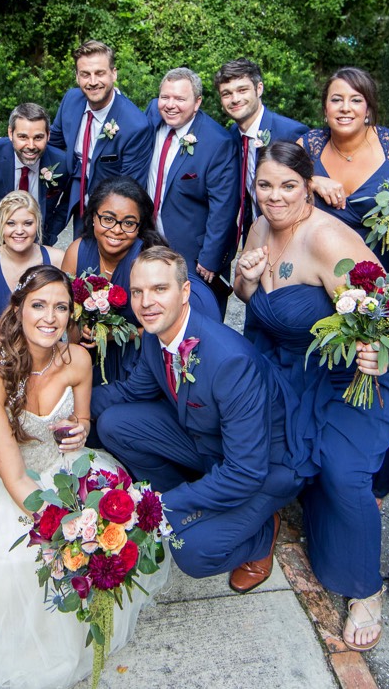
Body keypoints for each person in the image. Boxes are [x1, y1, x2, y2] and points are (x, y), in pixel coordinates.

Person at [0, 265, 167, 689]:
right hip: (9, 485)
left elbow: (80, 424)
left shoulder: (78, 359)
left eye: (61, 307)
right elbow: (15, 480)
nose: (50, 317)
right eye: (39, 305)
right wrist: (73, 530)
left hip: (65, 471)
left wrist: (80, 430)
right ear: (18, 309)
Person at [236, 141, 389, 651]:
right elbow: (250, 301)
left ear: (309, 186)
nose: (275, 196)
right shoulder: (260, 225)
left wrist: (380, 354)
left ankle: (365, 589)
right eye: (265, 185)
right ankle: (270, 521)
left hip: (345, 375)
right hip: (285, 365)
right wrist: (243, 277)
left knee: (343, 472)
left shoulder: (327, 239)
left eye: (288, 186)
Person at [92, 247, 300, 591]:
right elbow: (131, 393)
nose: (145, 302)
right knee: (113, 423)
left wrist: (160, 505)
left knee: (191, 551)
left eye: (160, 289)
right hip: (207, 440)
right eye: (137, 291)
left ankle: (262, 533)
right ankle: (196, 504)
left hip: (267, 467)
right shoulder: (155, 334)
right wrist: (70, 407)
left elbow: (247, 471)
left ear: (184, 292)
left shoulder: (230, 362)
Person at [302, 67, 389, 501]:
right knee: (336, 365)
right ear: (324, 106)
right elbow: (274, 184)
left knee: (387, 371)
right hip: (334, 281)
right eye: (336, 99)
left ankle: (374, 472)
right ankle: (325, 460)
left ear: (369, 107)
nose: (345, 108)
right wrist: (310, 179)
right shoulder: (308, 146)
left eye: (355, 100)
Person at [61, 176, 220, 388]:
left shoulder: (147, 259)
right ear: (93, 218)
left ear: (139, 227)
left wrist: (117, 334)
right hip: (87, 357)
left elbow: (172, 324)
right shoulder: (77, 251)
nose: (116, 230)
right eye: (108, 219)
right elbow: (66, 313)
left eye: (128, 223)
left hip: (138, 360)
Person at [145, 67, 239, 311]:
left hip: (193, 253)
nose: (170, 105)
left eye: (180, 99)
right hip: (150, 242)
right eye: (165, 97)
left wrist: (210, 258)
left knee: (197, 317)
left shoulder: (218, 142)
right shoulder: (152, 117)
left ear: (197, 103)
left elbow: (224, 207)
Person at [48, 40, 154, 237]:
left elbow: (129, 189)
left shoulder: (135, 126)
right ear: (77, 76)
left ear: (114, 73)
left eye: (100, 73)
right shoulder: (71, 100)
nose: (93, 81)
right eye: (85, 74)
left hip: (109, 209)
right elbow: (52, 145)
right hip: (71, 193)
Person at [213, 58, 309, 247]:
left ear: (259, 89)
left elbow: (308, 189)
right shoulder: (231, 136)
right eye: (227, 93)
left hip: (293, 236)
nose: (235, 99)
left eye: (242, 90)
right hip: (255, 235)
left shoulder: (291, 133)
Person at [0, 102, 73, 253]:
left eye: (38, 137)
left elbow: (67, 204)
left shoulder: (62, 163)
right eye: (23, 137)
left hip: (37, 242)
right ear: (10, 134)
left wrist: (48, 235)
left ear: (48, 135)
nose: (31, 145)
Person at [0, 191, 65, 328]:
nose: (19, 231)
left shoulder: (58, 259)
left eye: (27, 223)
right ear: (0, 226)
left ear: (37, 224)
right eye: (11, 223)